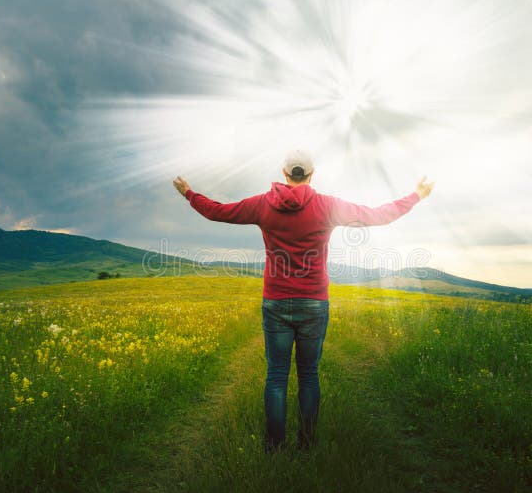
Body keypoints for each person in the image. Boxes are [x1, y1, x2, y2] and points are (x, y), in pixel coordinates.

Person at [172, 150, 434, 452]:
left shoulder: (262, 204)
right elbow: (377, 215)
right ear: (311, 174)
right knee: (308, 375)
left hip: (276, 301)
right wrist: (415, 196)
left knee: (276, 376)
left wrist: (189, 194)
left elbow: (219, 211)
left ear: (285, 173)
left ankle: (274, 448)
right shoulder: (327, 206)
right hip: (314, 302)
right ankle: (306, 446)